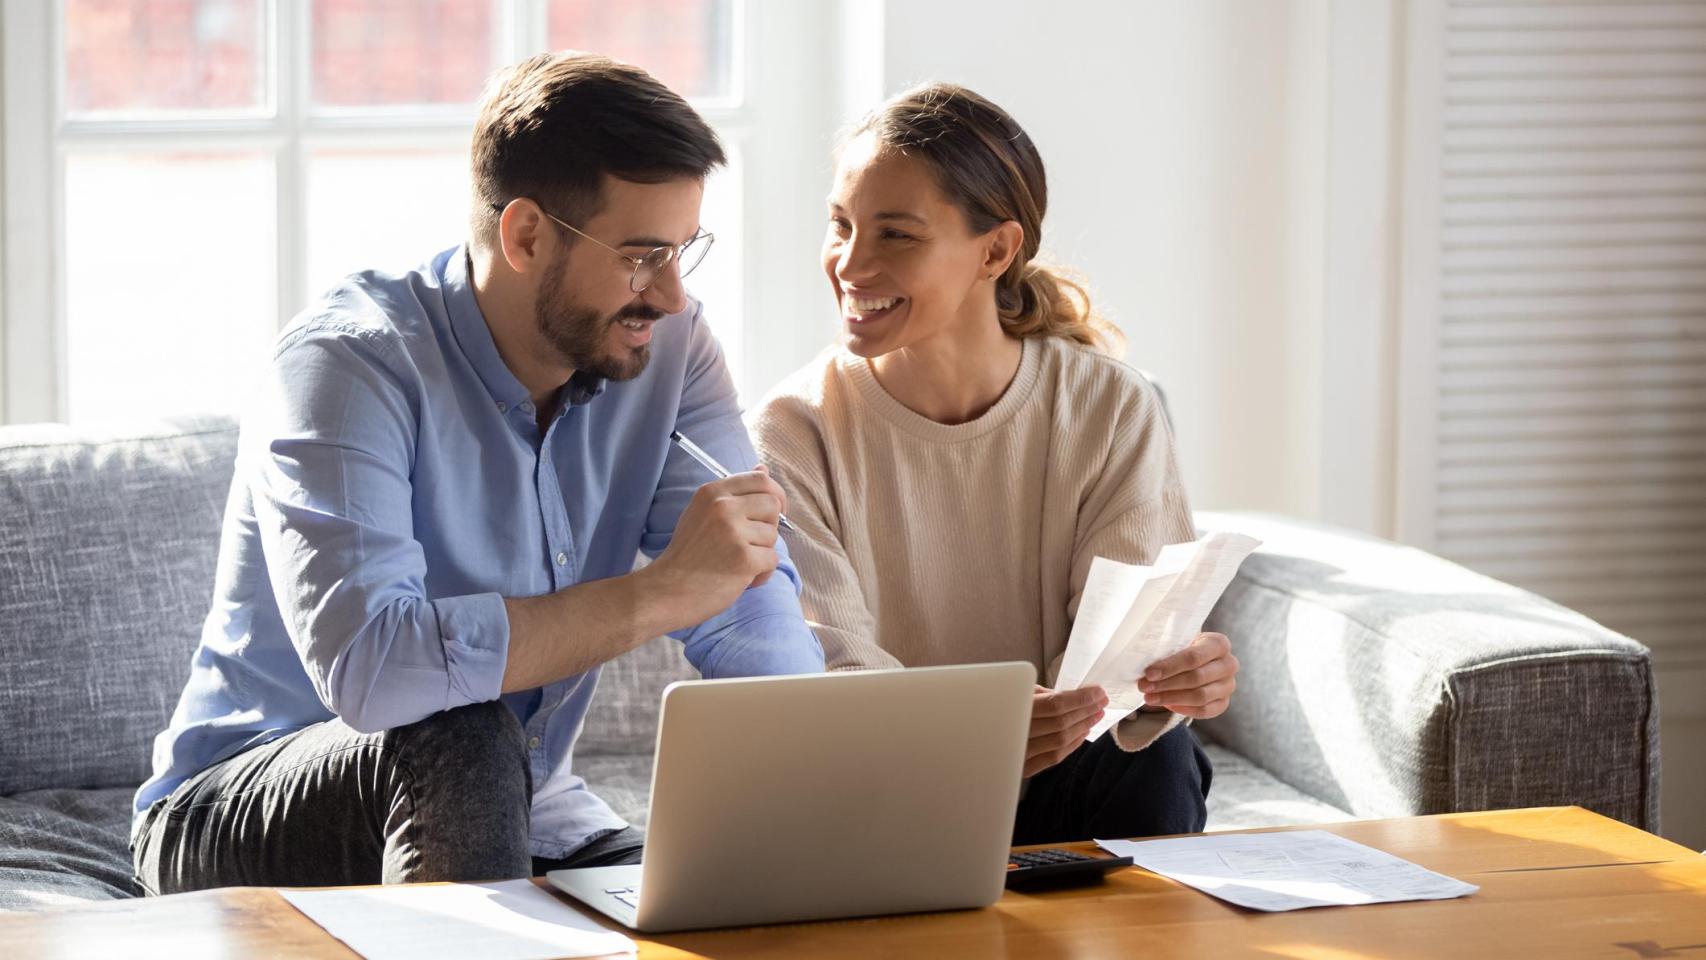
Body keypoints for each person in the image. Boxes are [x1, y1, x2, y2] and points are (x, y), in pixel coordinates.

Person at [132, 52, 823, 894]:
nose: (672, 295)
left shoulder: (670, 350)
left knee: (734, 899)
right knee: (459, 732)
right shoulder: (347, 368)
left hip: (531, 808)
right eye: (643, 255)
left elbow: (746, 591)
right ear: (526, 234)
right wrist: (658, 593)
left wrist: (816, 782)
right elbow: (375, 670)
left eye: (685, 250)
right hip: (239, 804)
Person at [750, 83, 1238, 844]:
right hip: (887, 789)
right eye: (840, 226)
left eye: (895, 236)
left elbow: (1121, 663)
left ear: (997, 250)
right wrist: (983, 734)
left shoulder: (1109, 405)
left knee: (1156, 758)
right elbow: (832, 675)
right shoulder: (793, 429)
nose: (850, 263)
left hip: (1069, 772)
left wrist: (1174, 681)